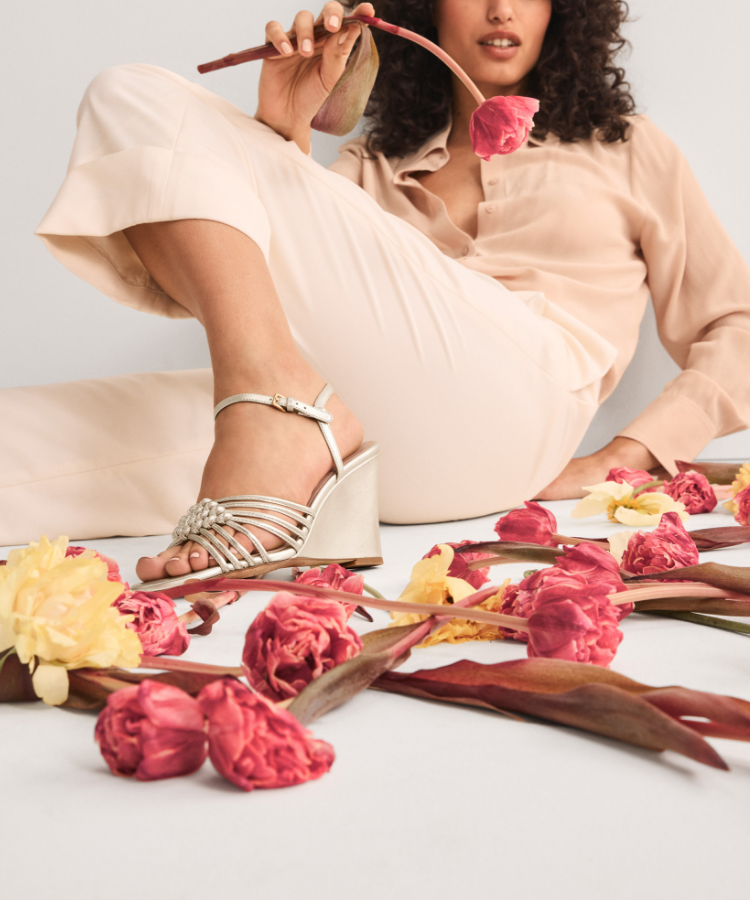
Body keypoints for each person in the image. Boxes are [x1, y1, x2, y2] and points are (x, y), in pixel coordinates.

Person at [30, 0, 750, 587]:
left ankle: (273, 407)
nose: (501, 8)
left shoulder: (626, 146)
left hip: (521, 406)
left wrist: (628, 452)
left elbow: (736, 321)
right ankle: (281, 422)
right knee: (127, 97)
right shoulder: (371, 163)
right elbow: (270, 277)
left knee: (140, 97)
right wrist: (281, 132)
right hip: (372, 443)